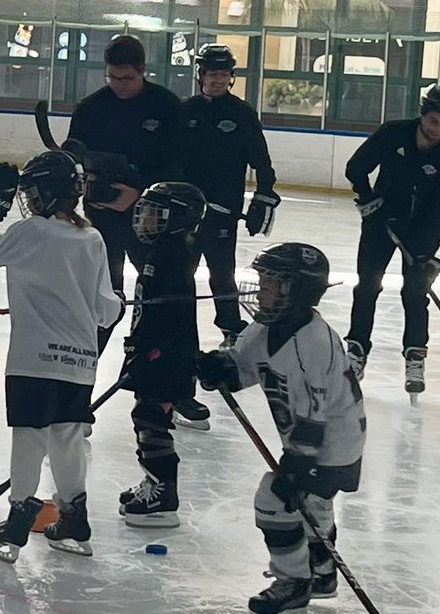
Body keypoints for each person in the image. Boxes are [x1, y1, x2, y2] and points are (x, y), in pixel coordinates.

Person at [0, 151, 122, 563]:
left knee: (30, 437)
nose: (28, 200)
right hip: (81, 362)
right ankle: (73, 517)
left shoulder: (31, 232)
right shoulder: (93, 239)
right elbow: (106, 310)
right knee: (68, 438)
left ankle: (18, 521)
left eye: (31, 192)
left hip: (33, 361)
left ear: (45, 195)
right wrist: (118, 303)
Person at [195, 243, 366, 614]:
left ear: (299, 291)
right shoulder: (266, 327)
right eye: (263, 280)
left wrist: (296, 467)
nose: (262, 290)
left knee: (273, 499)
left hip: (331, 443)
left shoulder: (313, 345)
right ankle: (322, 571)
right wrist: (219, 368)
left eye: (273, 284)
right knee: (314, 505)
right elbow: (243, 365)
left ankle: (293, 580)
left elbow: (313, 418)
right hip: (324, 436)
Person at [176, 43, 280, 427]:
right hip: (186, 214)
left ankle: (229, 327)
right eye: (211, 73)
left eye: (223, 74)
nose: (217, 79)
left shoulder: (241, 114)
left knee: (223, 272)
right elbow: (169, 159)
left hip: (222, 213)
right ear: (200, 74)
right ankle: (180, 327)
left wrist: (265, 195)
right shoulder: (184, 113)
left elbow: (261, 161)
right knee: (182, 275)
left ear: (231, 77)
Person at [343, 83, 440, 397]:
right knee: (368, 286)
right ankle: (356, 351)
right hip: (380, 224)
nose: (439, 129)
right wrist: (369, 200)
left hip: (419, 233)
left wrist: (425, 251)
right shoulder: (392, 134)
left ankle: (415, 355)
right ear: (422, 114)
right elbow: (356, 167)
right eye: (434, 121)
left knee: (415, 293)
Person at [65, 34, 182, 353]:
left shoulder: (167, 107)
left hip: (152, 225)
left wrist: (141, 194)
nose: (119, 84)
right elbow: (73, 159)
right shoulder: (91, 108)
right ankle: (82, 371)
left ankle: (160, 389)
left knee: (158, 301)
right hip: (103, 222)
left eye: (127, 78)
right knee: (103, 301)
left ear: (143, 70)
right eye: (112, 77)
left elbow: (178, 166)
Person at [116, 181, 205, 529]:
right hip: (158, 351)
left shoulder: (173, 253)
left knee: (151, 418)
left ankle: (164, 495)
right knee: (148, 414)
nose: (146, 219)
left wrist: (150, 349)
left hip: (165, 354)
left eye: (156, 213)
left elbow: (167, 314)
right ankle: (155, 482)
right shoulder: (167, 248)